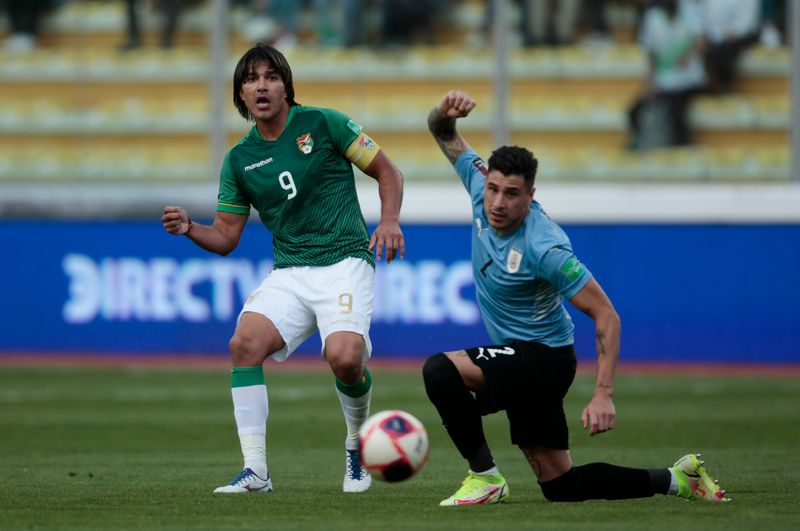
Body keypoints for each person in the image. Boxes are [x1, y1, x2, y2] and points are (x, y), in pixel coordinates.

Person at [422, 89, 730, 506]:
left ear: (530, 196)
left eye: (511, 194)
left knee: (441, 371)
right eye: (493, 189)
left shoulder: (546, 249)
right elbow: (442, 132)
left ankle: (485, 478)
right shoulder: (481, 185)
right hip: (518, 356)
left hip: (545, 359)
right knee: (560, 486)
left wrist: (603, 393)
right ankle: (678, 479)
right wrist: (444, 112)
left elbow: (606, 316)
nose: (497, 202)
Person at [161, 43, 405, 494]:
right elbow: (226, 237)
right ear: (240, 94)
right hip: (291, 271)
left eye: (271, 76)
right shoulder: (239, 160)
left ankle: (356, 446)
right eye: (251, 79)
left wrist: (389, 220)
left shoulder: (325, 123)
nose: (261, 86)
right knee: (244, 343)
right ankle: (256, 472)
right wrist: (191, 228)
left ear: (286, 85)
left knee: (346, 359)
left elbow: (389, 172)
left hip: (345, 261)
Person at [627, 0, 706, 150]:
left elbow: (702, 41)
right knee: (634, 110)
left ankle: (681, 147)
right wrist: (650, 83)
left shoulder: (690, 10)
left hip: (689, 80)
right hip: (664, 81)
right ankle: (637, 140)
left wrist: (688, 56)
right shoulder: (652, 18)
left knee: (675, 108)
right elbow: (651, 54)